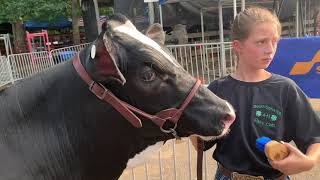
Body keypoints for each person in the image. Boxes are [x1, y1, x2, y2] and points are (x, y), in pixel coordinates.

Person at [192, 6, 320, 180]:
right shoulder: (218, 90)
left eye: (274, 41)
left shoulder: (285, 89)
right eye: (261, 42)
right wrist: (191, 112)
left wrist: (309, 161)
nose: (270, 49)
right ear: (238, 46)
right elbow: (201, 143)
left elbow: (315, 138)